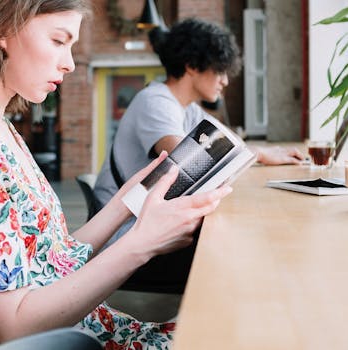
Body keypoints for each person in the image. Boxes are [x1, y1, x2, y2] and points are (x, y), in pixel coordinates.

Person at [0, 1, 233, 348]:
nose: (70, 63)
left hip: (88, 331)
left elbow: (54, 259)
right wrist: (141, 244)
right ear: (1, 28)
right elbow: (15, 328)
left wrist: (129, 198)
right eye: (58, 41)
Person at [94, 18, 305, 248]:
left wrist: (265, 152)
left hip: (149, 226)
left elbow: (232, 146)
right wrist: (262, 155)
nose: (225, 81)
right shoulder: (155, 101)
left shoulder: (189, 109)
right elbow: (190, 163)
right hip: (122, 237)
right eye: (220, 70)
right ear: (192, 66)